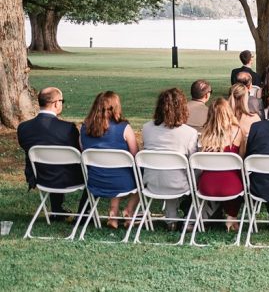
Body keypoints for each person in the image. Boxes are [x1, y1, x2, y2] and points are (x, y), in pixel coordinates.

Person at [17, 87, 84, 218]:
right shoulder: (68, 129)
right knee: (90, 172)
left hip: (40, 176)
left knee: (53, 163)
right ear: (56, 103)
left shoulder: (23, 128)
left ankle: (57, 210)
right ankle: (84, 214)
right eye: (62, 101)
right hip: (68, 178)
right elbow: (78, 152)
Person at [80, 91, 139, 229]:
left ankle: (113, 214)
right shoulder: (124, 128)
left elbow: (84, 152)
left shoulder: (84, 128)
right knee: (145, 178)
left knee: (115, 168)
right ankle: (128, 210)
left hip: (95, 180)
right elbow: (135, 155)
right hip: (122, 182)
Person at [141, 88, 199, 227]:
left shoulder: (146, 128)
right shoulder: (189, 133)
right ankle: (191, 217)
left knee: (171, 169)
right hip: (178, 184)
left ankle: (171, 218)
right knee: (195, 170)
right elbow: (193, 162)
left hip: (151, 181)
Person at [197, 98, 246, 231]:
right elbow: (241, 160)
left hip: (206, 186)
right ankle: (232, 216)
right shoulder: (237, 131)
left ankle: (216, 212)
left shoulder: (203, 134)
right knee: (236, 175)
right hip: (232, 186)